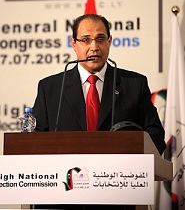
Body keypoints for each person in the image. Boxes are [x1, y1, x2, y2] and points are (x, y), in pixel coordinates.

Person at [32, 14, 166, 210]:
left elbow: (155, 134)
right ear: (73, 44)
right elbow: (36, 142)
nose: (94, 47)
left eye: (100, 39)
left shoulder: (134, 85)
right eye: (85, 40)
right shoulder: (50, 87)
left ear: (109, 42)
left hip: (118, 195)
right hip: (64, 197)